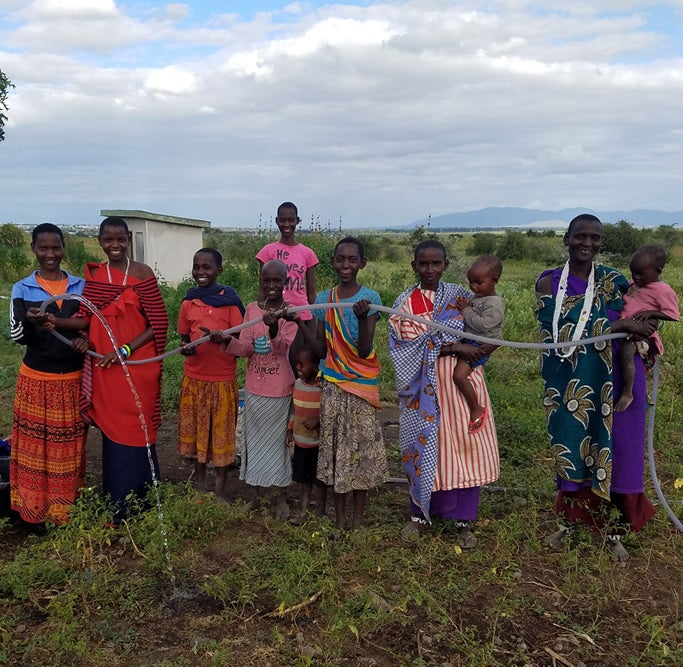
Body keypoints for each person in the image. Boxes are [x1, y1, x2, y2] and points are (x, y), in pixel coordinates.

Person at [536, 214, 658, 561]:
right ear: (567, 239)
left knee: (622, 451)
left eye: (594, 238)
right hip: (575, 383)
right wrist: (615, 322)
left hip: (620, 379)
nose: (587, 243)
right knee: (576, 445)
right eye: (580, 236)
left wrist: (644, 326)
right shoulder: (548, 283)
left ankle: (615, 529)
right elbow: (555, 334)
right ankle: (571, 524)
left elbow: (642, 312)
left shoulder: (614, 280)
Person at [388, 240, 500, 548]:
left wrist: (471, 349)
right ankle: (420, 516)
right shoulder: (404, 304)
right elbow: (405, 347)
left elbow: (484, 333)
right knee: (423, 449)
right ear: (414, 266)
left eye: (436, 263)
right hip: (421, 391)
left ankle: (463, 521)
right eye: (423, 264)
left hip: (459, 387)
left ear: (446, 265)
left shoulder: (462, 297)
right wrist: (453, 346)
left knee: (465, 448)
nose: (430, 269)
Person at [292, 236, 388, 533]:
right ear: (333, 262)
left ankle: (357, 521)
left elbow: (363, 350)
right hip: (332, 386)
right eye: (340, 259)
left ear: (362, 263)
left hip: (360, 388)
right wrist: (300, 323)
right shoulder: (324, 299)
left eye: (352, 260)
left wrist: (361, 319)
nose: (345, 265)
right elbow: (320, 351)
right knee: (335, 452)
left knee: (360, 453)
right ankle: (340, 519)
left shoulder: (370, 299)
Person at [77, 216, 168, 525]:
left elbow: (159, 323)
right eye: (108, 240)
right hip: (105, 369)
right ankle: (118, 507)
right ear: (100, 241)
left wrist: (126, 349)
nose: (114, 245)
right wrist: (53, 323)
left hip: (137, 367)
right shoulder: (96, 277)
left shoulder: (142, 274)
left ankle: (143, 501)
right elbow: (83, 319)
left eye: (120, 239)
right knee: (113, 435)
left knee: (136, 429)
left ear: (129, 240)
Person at [8, 223, 87, 525]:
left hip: (71, 381)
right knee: (35, 447)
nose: (50, 254)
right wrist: (30, 322)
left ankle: (65, 510)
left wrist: (87, 341)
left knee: (67, 448)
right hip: (36, 381)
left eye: (56, 247)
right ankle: (34, 509)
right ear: (34, 249)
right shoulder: (22, 288)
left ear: (64, 248)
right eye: (44, 248)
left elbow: (91, 324)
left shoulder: (80, 286)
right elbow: (16, 336)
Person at [210, 260, 297, 519]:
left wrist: (273, 328)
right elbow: (246, 348)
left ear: (285, 282)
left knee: (278, 444)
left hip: (280, 389)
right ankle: (256, 497)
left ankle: (280, 497)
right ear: (261, 281)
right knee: (255, 444)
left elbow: (283, 348)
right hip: (255, 389)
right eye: (266, 280)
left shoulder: (292, 313)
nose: (271, 285)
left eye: (276, 281)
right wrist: (227, 340)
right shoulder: (250, 310)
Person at [177, 248, 244, 499]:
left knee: (221, 436)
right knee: (198, 437)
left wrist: (222, 338)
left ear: (219, 270)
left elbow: (240, 341)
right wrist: (186, 349)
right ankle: (200, 488)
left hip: (222, 382)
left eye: (206, 267)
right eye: (197, 267)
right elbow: (185, 339)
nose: (200, 272)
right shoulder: (188, 302)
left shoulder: (230, 302)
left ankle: (220, 492)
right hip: (195, 381)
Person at [613, 245, 679, 412]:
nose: (636, 277)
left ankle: (628, 392)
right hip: (626, 327)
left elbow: (673, 314)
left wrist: (652, 313)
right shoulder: (636, 283)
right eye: (633, 272)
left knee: (626, 352)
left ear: (657, 271)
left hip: (641, 333)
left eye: (641, 273)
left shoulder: (663, 290)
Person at [256, 202, 319, 368]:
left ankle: (300, 394)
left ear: (298, 221)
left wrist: (314, 320)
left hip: (302, 316)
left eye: (291, 220)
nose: (286, 224)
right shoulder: (267, 252)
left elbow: (311, 292)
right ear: (277, 221)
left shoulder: (307, 254)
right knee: (281, 360)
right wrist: (263, 311)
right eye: (282, 220)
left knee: (303, 361)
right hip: (276, 316)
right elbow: (262, 288)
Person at [452, 255, 505, 432]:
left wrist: (466, 309)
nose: (474, 287)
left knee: (459, 376)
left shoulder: (495, 304)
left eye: (478, 283)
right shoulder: (479, 296)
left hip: (479, 346)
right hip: (470, 340)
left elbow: (482, 325)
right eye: (471, 282)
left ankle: (476, 407)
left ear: (494, 281)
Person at [286, 345, 326, 525]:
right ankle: (303, 510)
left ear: (316, 366)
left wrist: (318, 419)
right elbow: (294, 409)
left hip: (317, 443)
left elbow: (328, 410)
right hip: (301, 442)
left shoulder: (322, 386)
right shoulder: (297, 384)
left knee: (319, 480)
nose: (298, 368)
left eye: (303, 365)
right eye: (297, 365)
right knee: (304, 480)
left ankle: (320, 512)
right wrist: (290, 429)